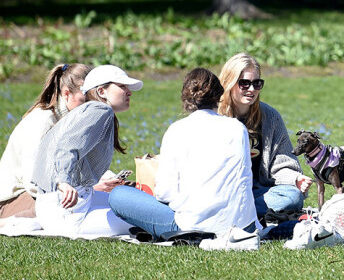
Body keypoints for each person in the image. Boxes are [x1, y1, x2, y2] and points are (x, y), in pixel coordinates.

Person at [109, 68, 259, 239]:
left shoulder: (176, 130)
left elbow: (165, 192)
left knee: (118, 196)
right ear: (219, 96)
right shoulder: (237, 128)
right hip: (242, 224)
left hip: (193, 225)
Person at [31, 64, 142, 236]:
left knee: (138, 204)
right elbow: (67, 146)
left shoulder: (88, 110)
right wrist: (63, 181)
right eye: (122, 86)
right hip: (67, 212)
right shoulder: (100, 110)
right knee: (145, 217)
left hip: (61, 204)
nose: (129, 92)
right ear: (101, 91)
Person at [0, 63, 91, 219]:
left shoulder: (72, 121)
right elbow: (33, 183)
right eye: (84, 100)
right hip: (16, 202)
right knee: (79, 208)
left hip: (50, 194)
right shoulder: (42, 122)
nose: (89, 107)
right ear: (66, 94)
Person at [218, 53, 312, 217]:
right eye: (244, 84)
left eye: (257, 83)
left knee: (293, 197)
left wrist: (295, 179)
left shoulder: (270, 117)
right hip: (222, 191)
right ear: (229, 83)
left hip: (258, 192)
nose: (252, 89)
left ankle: (237, 212)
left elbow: (283, 162)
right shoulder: (214, 117)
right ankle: (240, 211)